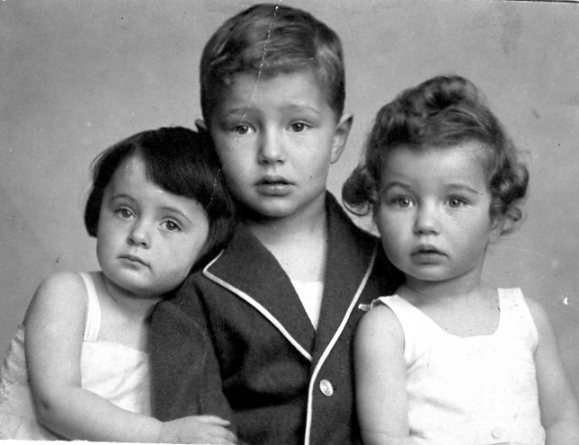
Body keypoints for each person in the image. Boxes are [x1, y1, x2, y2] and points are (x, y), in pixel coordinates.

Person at [150, 4, 402, 445]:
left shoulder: (388, 266)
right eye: (243, 128)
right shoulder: (192, 284)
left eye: (298, 125)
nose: (271, 151)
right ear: (208, 139)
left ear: (337, 138)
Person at [343, 75, 579, 445]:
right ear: (375, 210)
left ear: (497, 217)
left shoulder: (526, 318)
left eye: (454, 201)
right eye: (402, 200)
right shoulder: (388, 328)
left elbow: (564, 421)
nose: (425, 224)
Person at [0, 127, 238, 444]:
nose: (139, 234)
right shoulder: (68, 294)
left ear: (208, 243)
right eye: (125, 211)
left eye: (171, 224)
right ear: (99, 211)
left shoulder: (188, 322)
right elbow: (54, 403)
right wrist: (161, 435)